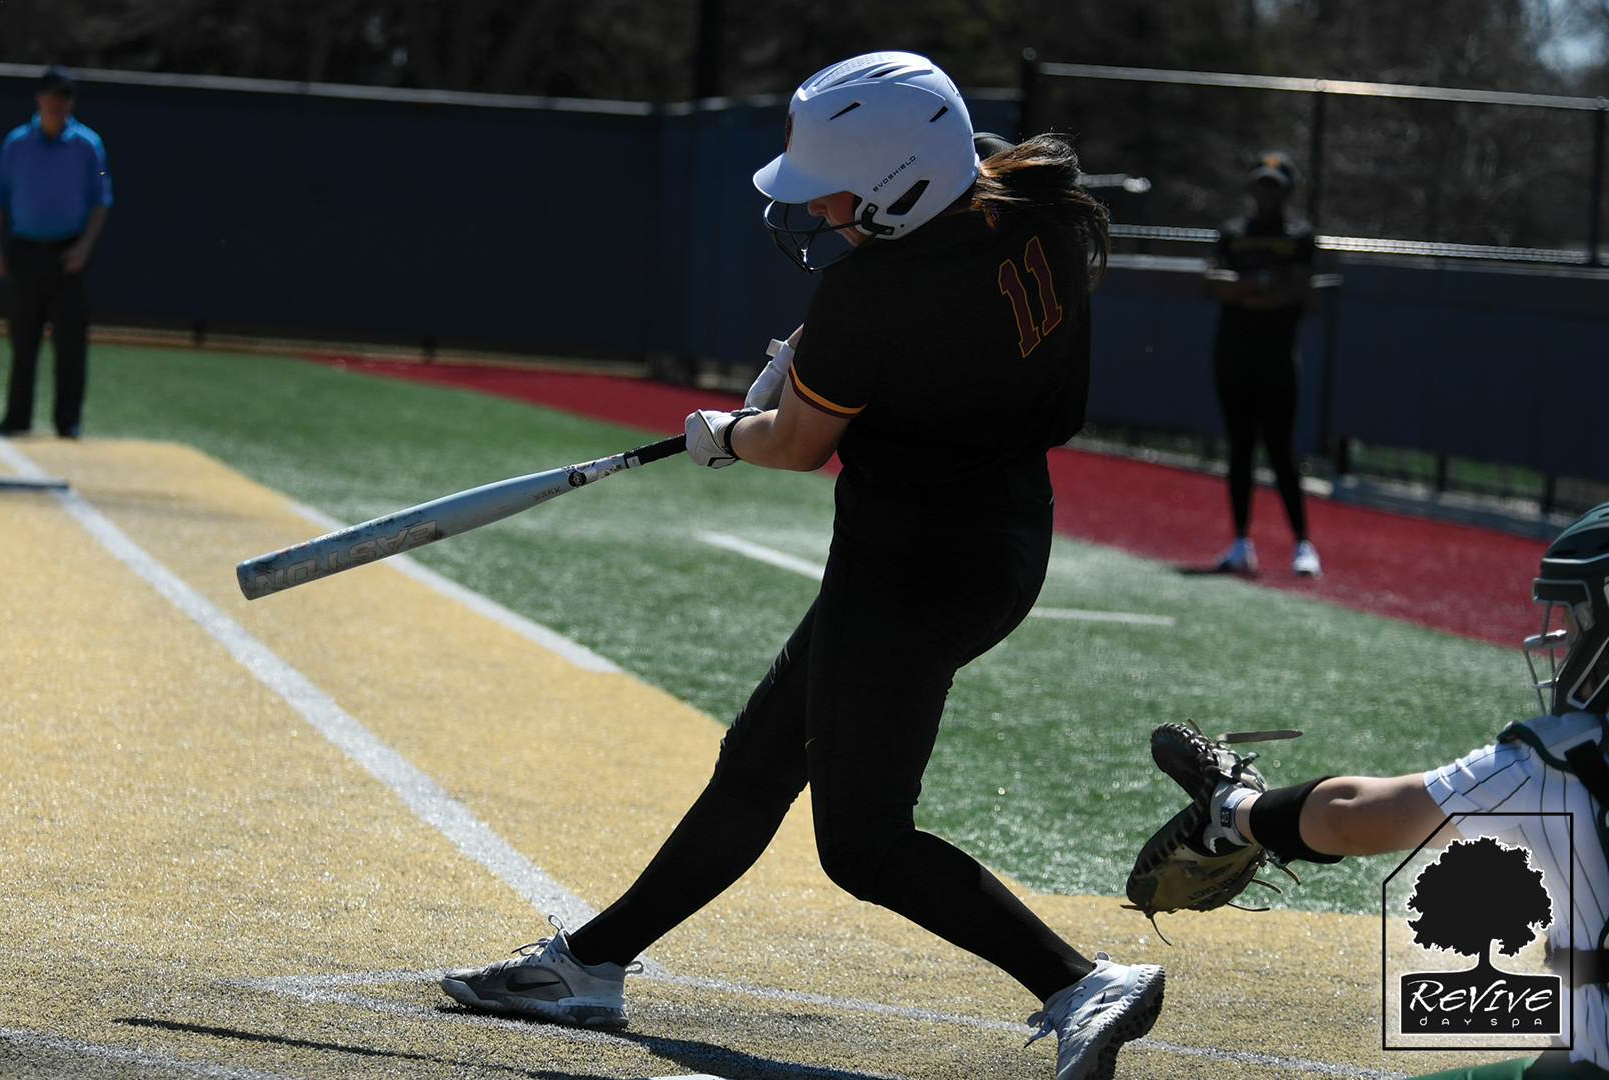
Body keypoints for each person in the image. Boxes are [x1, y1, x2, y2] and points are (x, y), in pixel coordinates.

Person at [439, 52, 1164, 1080]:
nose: (816, 204)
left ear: (906, 178)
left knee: (862, 844)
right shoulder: (1025, 211)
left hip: (910, 565)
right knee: (763, 760)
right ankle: (590, 964)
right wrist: (814, 365)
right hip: (999, 540)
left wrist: (729, 432)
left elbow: (796, 444)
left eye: (836, 185)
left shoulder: (877, 287)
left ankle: (1079, 980)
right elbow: (920, 341)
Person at [1152, 503, 1609, 1079]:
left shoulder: (1558, 759)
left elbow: (1354, 817)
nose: (1564, 641)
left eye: (1582, 621)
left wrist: (1236, 810)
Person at [1203, 151, 1320, 577]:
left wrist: (1245, 292)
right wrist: (1261, 285)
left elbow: (1296, 292)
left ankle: (1303, 544)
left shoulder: (1300, 234)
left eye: (1275, 183)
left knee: (1281, 451)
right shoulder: (1233, 232)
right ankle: (1239, 542)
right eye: (1262, 182)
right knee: (1239, 449)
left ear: (1287, 189)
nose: (1267, 191)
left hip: (1277, 356)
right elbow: (1213, 284)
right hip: (1233, 354)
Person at [0, 64, 111, 439]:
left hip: (69, 253)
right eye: (51, 94)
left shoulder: (89, 145)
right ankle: (17, 416)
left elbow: (102, 200)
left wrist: (85, 247)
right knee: (23, 339)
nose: (57, 102)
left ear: (72, 101)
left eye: (65, 96)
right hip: (25, 251)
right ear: (39, 98)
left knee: (71, 343)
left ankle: (67, 421)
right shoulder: (16, 143)